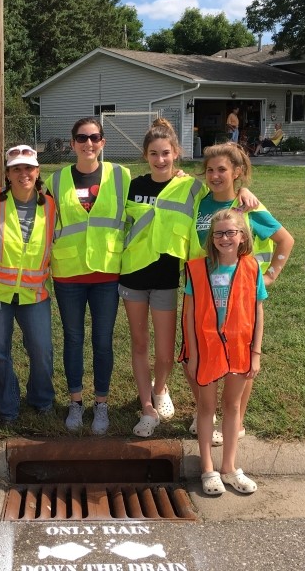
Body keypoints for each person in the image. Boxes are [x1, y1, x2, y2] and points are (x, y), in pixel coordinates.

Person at [120, 119, 258, 438]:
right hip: (132, 276)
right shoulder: (134, 187)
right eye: (153, 154)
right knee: (140, 344)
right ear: (146, 155)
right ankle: (147, 408)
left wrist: (246, 189)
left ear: (176, 153)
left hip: (169, 278)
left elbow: (223, 194)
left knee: (166, 352)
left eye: (165, 153)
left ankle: (161, 388)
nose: (160, 159)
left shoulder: (192, 187)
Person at [181, 142, 294, 442]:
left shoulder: (249, 207)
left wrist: (269, 276)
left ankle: (236, 420)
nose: (215, 176)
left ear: (237, 172)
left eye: (222, 170)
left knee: (239, 361)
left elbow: (286, 241)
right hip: (203, 296)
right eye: (210, 170)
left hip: (241, 303)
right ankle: (206, 411)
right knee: (194, 356)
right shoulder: (199, 203)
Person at [45, 118, 131, 435]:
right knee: (73, 338)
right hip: (68, 274)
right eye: (82, 137)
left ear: (103, 141)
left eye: (94, 137)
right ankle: (76, 402)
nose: (88, 143)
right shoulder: (55, 181)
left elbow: (152, 198)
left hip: (107, 273)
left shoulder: (121, 176)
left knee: (102, 340)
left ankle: (102, 404)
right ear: (72, 143)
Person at [0, 145, 56, 424]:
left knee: (42, 350)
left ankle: (41, 399)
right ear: (7, 173)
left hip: (35, 292)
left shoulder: (52, 204)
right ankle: (7, 407)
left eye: (29, 168)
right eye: (16, 168)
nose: (23, 174)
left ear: (38, 171)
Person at [185, 209, 265, 495]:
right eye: (219, 233)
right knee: (206, 408)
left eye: (232, 232)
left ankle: (229, 468)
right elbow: (189, 313)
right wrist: (192, 355)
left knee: (232, 408)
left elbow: (257, 311)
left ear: (242, 236)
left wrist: (256, 352)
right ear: (211, 238)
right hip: (207, 349)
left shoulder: (252, 268)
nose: (225, 238)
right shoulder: (197, 269)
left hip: (240, 348)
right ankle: (208, 469)